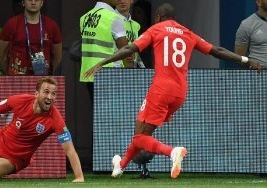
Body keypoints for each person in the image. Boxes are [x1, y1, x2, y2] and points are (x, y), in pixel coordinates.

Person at [85, 3, 263, 179]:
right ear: (175, 19)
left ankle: (172, 152)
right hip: (180, 93)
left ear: (158, 18)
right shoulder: (187, 33)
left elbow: (130, 48)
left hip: (161, 89)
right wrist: (246, 60)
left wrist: (103, 61)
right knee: (141, 133)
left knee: (140, 137)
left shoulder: (156, 29)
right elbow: (216, 50)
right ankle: (120, 166)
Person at [0, 0, 62, 76]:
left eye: (37, 0)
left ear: (42, 3)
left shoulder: (51, 25)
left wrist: (49, 71)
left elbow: (57, 56)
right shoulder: (11, 24)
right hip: (17, 77)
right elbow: (1, 54)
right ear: (23, 2)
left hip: (41, 77)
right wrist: (8, 74)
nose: (33, 2)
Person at [235, 0, 267, 67]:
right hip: (259, 75)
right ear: (259, 2)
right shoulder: (246, 25)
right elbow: (239, 58)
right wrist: (250, 64)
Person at [116, 0, 145, 68]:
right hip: (115, 68)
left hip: (130, 70)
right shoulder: (109, 20)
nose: (122, 1)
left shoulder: (136, 25)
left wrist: (142, 67)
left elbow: (135, 51)